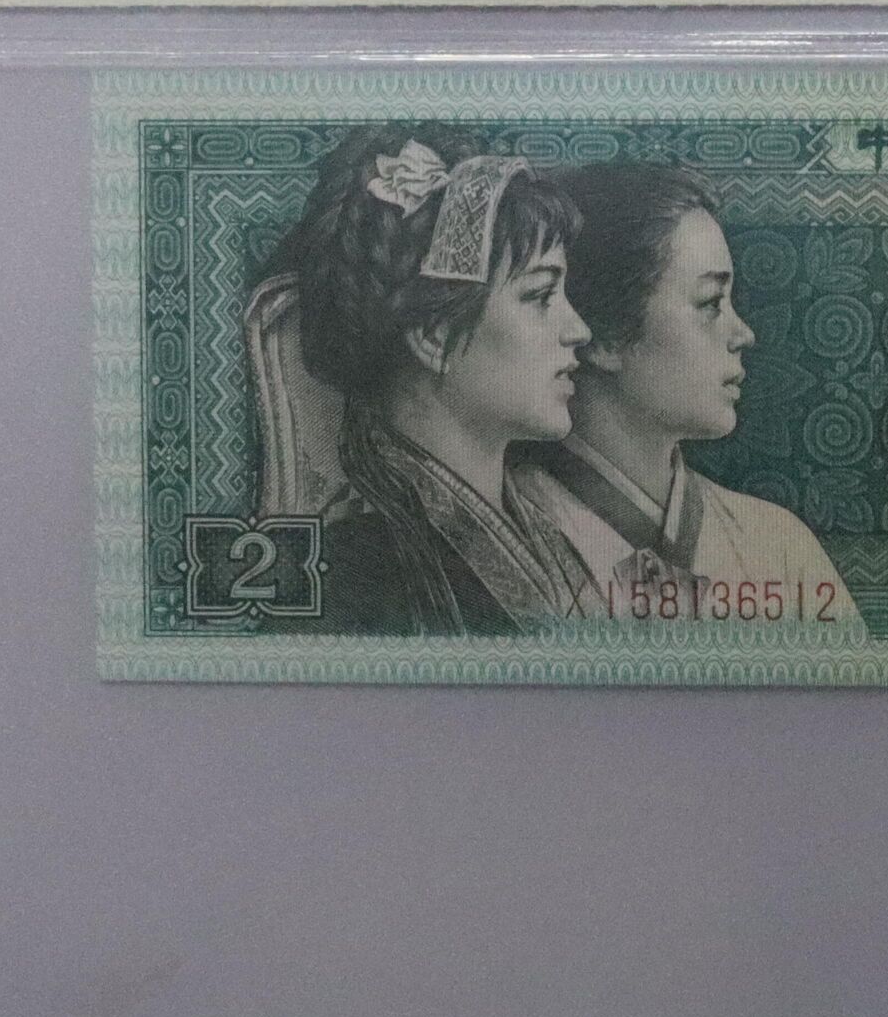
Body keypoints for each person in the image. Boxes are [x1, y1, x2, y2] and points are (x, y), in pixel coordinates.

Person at [264, 125, 597, 636]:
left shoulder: (545, 533)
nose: (579, 330)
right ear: (434, 336)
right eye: (538, 296)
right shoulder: (351, 576)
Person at [515, 162, 855, 629]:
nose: (744, 334)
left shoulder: (779, 546)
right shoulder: (505, 541)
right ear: (605, 337)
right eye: (710, 303)